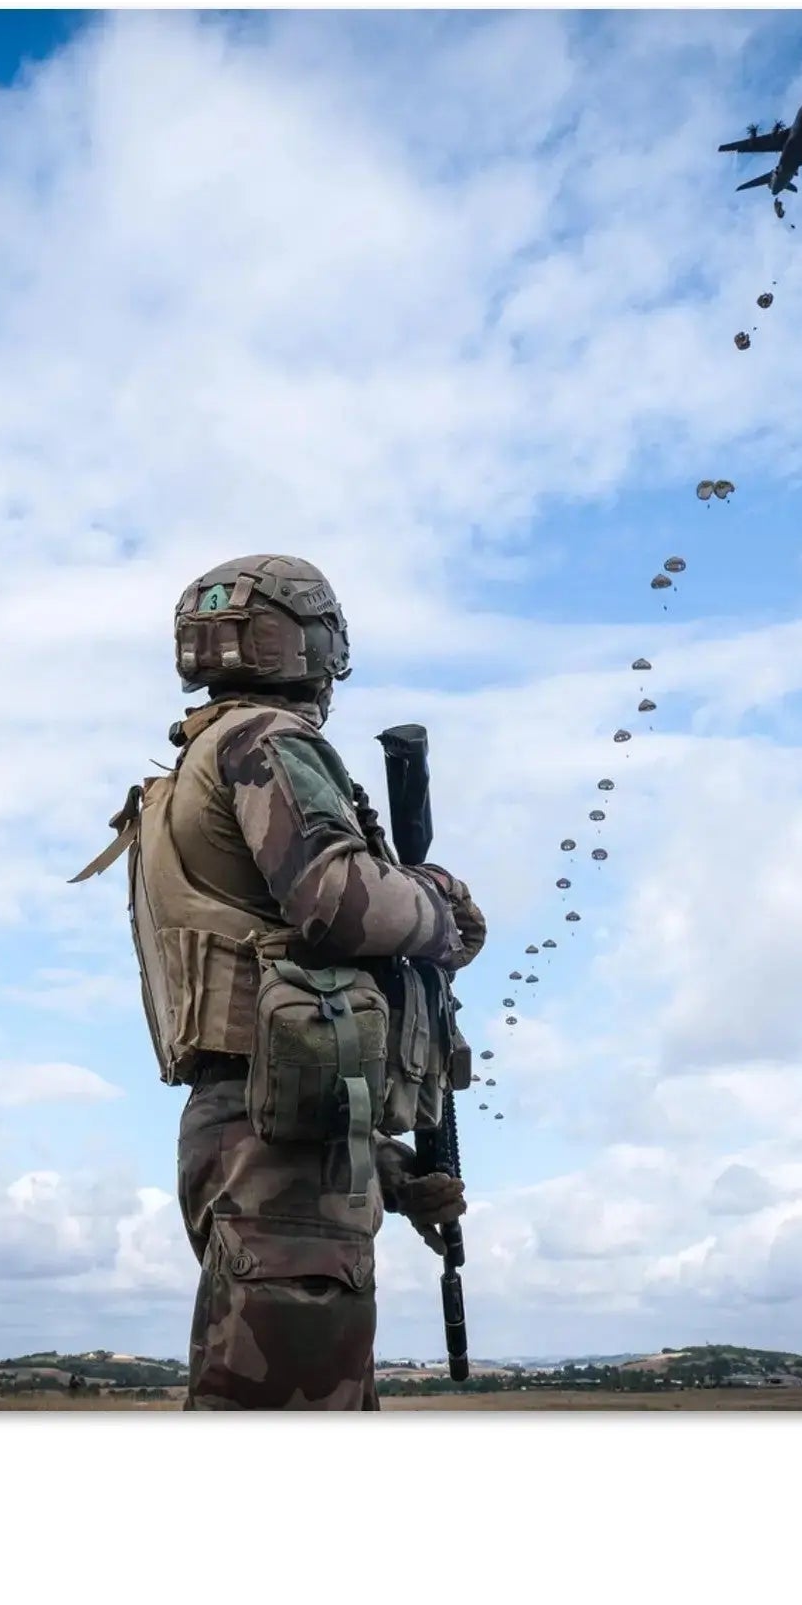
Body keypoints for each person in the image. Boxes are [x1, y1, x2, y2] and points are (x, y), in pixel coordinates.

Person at [73, 554, 485, 1409]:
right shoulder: (266, 743)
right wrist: (442, 905)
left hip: (271, 1133)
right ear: (311, 644)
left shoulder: (194, 764)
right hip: (276, 1155)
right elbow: (339, 904)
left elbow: (278, 1005)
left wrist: (386, 1165)